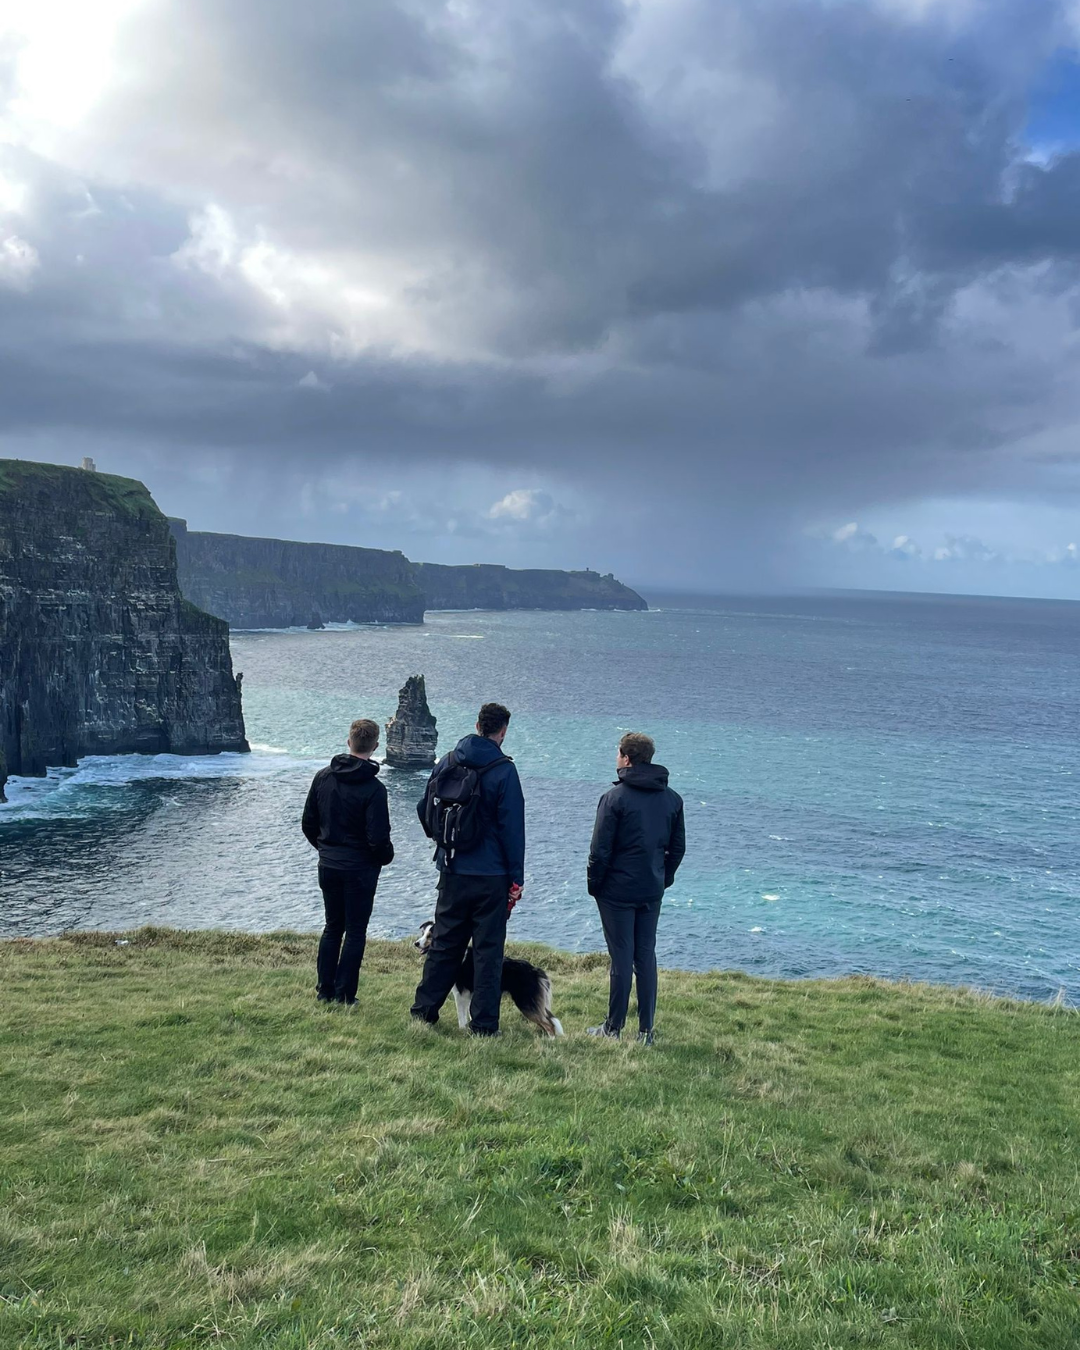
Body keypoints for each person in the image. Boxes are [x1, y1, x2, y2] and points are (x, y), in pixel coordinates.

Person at [411, 702, 525, 1036]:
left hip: (452, 868)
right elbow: (512, 830)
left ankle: (423, 1013)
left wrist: (443, 845)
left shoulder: (448, 761)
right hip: (491, 876)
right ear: (502, 731)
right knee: (488, 953)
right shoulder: (504, 771)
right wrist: (515, 879)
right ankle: (485, 1026)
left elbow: (424, 807)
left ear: (477, 725)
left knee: (445, 944)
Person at [586, 732, 685, 1044]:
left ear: (626, 759)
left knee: (621, 958)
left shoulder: (613, 799)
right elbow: (678, 848)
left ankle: (612, 1029)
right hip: (650, 889)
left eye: (618, 754)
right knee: (645, 957)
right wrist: (662, 878)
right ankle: (646, 1032)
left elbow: (599, 852)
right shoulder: (672, 799)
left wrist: (594, 885)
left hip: (616, 891)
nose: (616, 758)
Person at [301, 718, 394, 1006]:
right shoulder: (375, 790)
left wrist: (325, 849)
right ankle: (344, 994)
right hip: (360, 870)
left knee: (332, 927)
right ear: (375, 746)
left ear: (348, 742)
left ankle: (324, 991)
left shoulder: (323, 777)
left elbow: (308, 823)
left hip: (329, 864)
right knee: (355, 931)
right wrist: (385, 858)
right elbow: (378, 839)